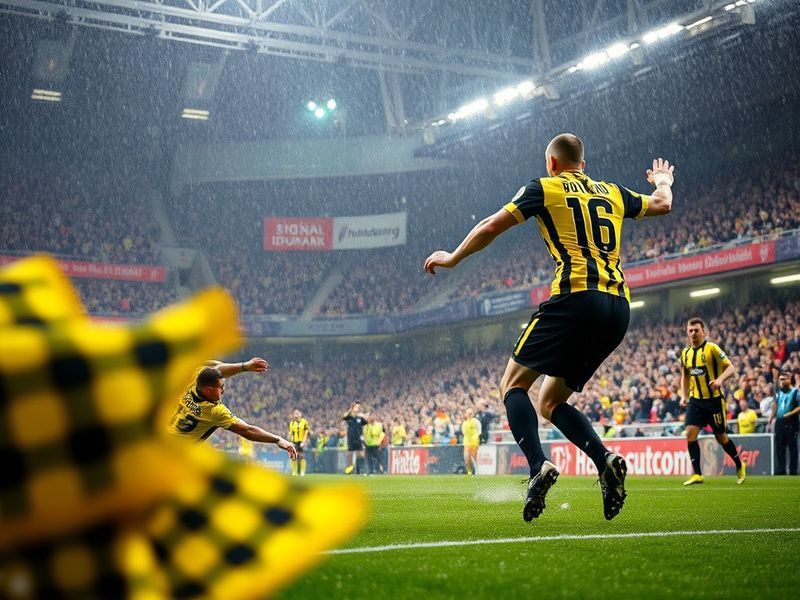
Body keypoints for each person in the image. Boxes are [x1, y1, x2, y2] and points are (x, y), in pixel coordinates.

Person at [424, 133, 675, 521]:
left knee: (513, 384)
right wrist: (663, 181)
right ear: (584, 165)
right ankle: (604, 460)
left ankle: (538, 464)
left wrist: (453, 257)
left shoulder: (544, 187)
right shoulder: (611, 191)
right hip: (618, 308)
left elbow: (491, 226)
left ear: (552, 164)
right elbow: (662, 204)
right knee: (550, 401)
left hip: (574, 298)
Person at [167, 358, 297, 461]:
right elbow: (248, 430)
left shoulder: (195, 381)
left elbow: (217, 369)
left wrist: (245, 366)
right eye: (221, 387)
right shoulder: (214, 411)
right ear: (208, 390)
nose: (224, 390)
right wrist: (277, 439)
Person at [679, 318, 746, 485]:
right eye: (690, 330)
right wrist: (684, 395)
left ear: (703, 331)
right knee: (690, 433)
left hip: (714, 401)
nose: (693, 333)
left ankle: (739, 464)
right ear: (687, 333)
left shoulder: (712, 349)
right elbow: (685, 376)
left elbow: (731, 367)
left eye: (696, 330)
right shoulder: (685, 354)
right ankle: (698, 474)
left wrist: (720, 380)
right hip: (696, 401)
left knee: (721, 437)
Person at [771, 371, 799, 475]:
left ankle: (793, 471)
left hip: (791, 422)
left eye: (783, 379)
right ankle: (781, 470)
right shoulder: (779, 392)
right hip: (780, 422)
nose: (781, 382)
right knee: (780, 447)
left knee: (792, 448)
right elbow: (775, 404)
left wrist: (790, 413)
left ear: (789, 379)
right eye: (780, 379)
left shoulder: (796, 392)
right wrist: (771, 416)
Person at [343, 402, 367, 475]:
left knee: (361, 454)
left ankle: (362, 470)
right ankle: (349, 470)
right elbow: (344, 416)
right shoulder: (349, 417)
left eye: (358, 407)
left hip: (358, 438)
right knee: (350, 454)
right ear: (353, 408)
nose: (357, 408)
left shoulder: (360, 418)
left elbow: (365, 425)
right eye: (356, 407)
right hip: (351, 438)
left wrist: (363, 436)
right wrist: (350, 409)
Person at [288, 408, 310, 476]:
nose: (296, 415)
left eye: (297, 413)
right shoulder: (291, 423)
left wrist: (304, 441)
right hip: (294, 442)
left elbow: (306, 432)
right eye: (295, 414)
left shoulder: (304, 422)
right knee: (294, 456)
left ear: (301, 414)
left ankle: (302, 472)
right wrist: (290, 441)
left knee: (302, 456)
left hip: (301, 442)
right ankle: (294, 472)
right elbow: (291, 433)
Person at [461, 409, 482, 475]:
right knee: (466, 457)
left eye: (471, 413)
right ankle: (469, 471)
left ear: (473, 414)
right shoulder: (464, 423)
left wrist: (475, 437)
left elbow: (479, 431)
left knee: (473, 456)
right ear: (466, 414)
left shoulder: (476, 422)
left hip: (474, 442)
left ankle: (476, 471)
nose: (469, 414)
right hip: (467, 442)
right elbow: (464, 433)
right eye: (468, 413)